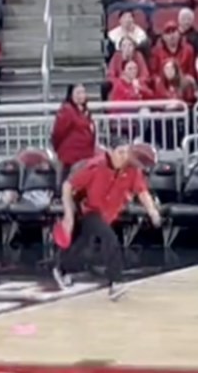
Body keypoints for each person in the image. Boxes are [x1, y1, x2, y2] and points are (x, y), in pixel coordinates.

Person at [53, 139, 162, 301]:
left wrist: (152, 211)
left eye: (126, 152)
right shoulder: (95, 166)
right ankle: (115, 282)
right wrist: (68, 215)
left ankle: (61, 268)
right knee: (109, 239)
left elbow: (142, 192)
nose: (124, 156)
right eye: (120, 152)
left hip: (108, 213)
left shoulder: (132, 170)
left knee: (83, 244)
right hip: (87, 209)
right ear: (110, 152)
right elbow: (68, 185)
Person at [51, 84, 97, 178]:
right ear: (71, 95)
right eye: (78, 93)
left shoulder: (85, 111)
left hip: (85, 155)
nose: (81, 95)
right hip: (71, 158)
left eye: (83, 92)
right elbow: (58, 132)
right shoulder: (67, 110)